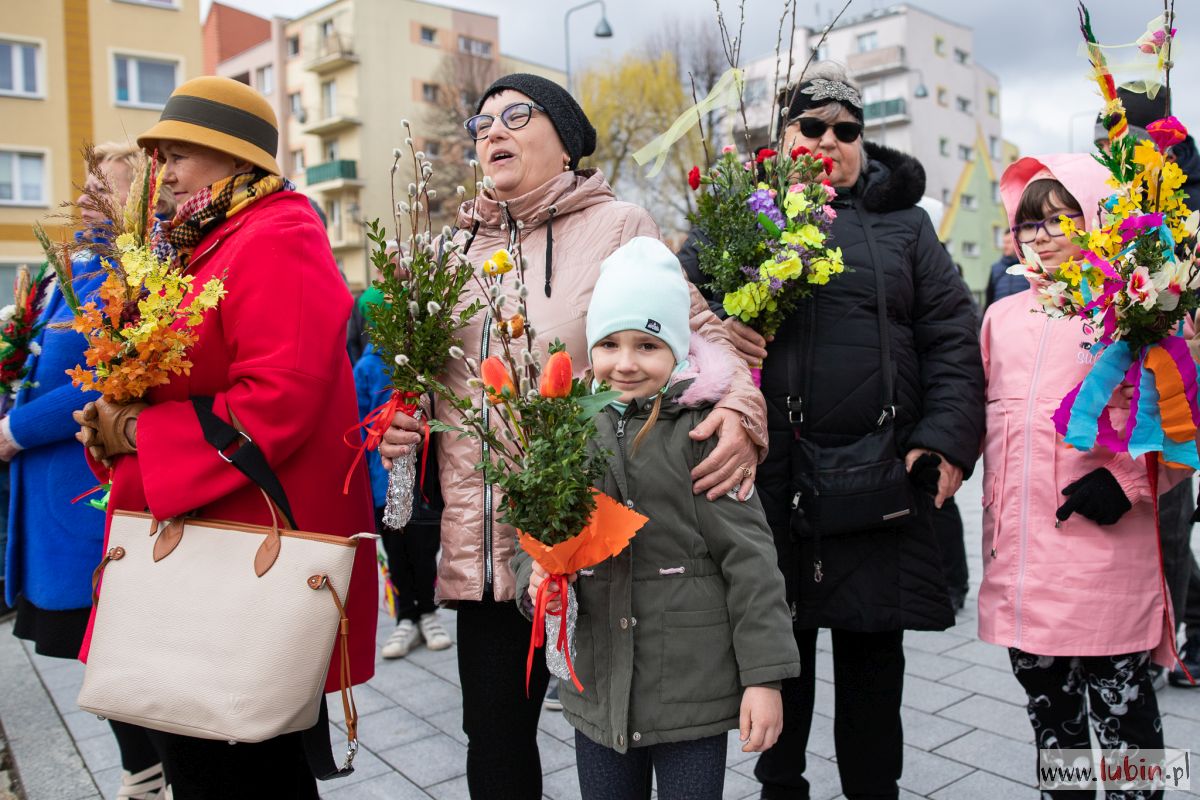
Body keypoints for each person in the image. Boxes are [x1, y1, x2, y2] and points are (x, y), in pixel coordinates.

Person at [378, 73, 768, 799]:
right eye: (482, 120)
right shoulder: (449, 249)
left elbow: (703, 339)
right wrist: (405, 420)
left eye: (515, 115)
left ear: (565, 141)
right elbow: (434, 380)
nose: (491, 129)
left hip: (594, 541)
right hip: (488, 542)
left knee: (616, 742)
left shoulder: (619, 227)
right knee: (493, 740)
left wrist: (743, 414)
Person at [680, 65, 985, 799]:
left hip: (875, 482)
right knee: (776, 663)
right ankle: (781, 788)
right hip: (769, 479)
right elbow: (676, 312)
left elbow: (951, 335)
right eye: (811, 127)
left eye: (845, 131)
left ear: (862, 142)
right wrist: (717, 329)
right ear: (785, 138)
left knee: (874, 673)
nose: (829, 141)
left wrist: (945, 441)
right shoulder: (738, 217)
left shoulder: (906, 226)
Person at [73, 77, 376, 799]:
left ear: (236, 160)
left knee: (241, 764)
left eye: (181, 154)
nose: (166, 172)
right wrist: (111, 418)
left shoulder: (278, 234)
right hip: (205, 536)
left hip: (244, 546)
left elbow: (280, 397)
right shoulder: (203, 240)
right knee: (207, 757)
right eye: (162, 157)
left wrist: (142, 429)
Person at [513, 237, 800, 800]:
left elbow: (752, 564)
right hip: (597, 687)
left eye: (647, 344)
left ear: (677, 351)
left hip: (690, 688)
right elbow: (545, 540)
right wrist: (540, 582)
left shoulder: (700, 434)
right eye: (610, 344)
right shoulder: (567, 433)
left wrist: (763, 679)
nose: (625, 363)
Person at [981, 153, 1184, 793]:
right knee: (1053, 728)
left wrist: (1124, 484)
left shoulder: (1133, 314)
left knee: (1130, 729)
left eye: (1058, 219)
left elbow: (1180, 427)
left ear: (1095, 220)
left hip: (1102, 565)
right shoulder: (999, 319)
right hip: (1022, 565)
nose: (1041, 236)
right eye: (1028, 224)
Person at [2, 142, 167, 800]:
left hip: (86, 489)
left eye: (108, 186)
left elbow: (94, 385)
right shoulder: (79, 272)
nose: (92, 198)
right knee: (92, 649)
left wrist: (14, 431)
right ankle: (144, 767)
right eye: (90, 184)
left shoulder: (132, 279)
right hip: (51, 494)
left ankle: (150, 768)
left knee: (113, 645)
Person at [1093, 83, 1200, 692]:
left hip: (1178, 389)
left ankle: (1168, 639)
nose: (1116, 153)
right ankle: (1142, 629)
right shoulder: (1111, 204)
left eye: (1126, 140)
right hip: (1120, 389)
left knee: (1169, 521)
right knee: (1138, 517)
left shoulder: (1185, 211)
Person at [353, 340, 449, 657]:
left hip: (426, 480)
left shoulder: (428, 361)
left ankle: (428, 614)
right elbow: (357, 425)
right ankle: (405, 616)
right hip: (384, 479)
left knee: (425, 547)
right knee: (396, 550)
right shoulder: (367, 368)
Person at [984, 229, 1023, 309]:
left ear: (1017, 243)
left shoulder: (1029, 267)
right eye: (1004, 242)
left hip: (1025, 317)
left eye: (1008, 242)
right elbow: (989, 299)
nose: (1004, 246)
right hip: (1000, 317)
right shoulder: (995, 268)